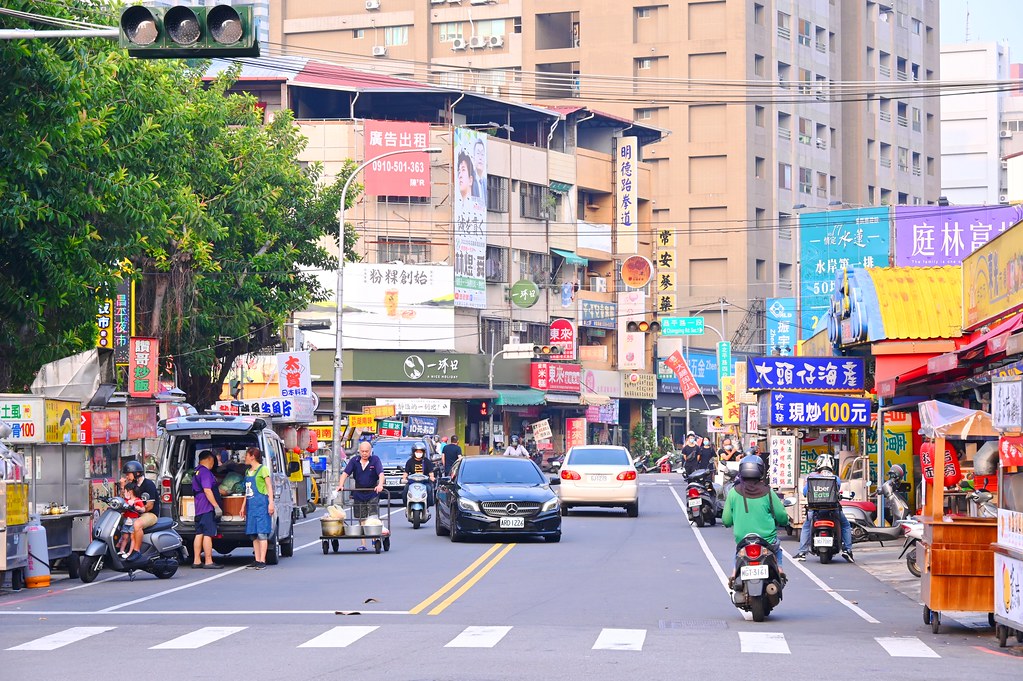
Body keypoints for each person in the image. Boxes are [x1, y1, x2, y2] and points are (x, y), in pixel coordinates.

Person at [722, 454, 790, 580]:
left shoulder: (733, 492)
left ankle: (733, 573)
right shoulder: (768, 492)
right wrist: (785, 522)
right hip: (767, 540)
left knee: (738, 553)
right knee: (777, 550)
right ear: (761, 471)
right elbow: (781, 516)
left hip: (742, 539)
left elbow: (726, 520)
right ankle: (779, 569)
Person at [794, 454, 854, 562]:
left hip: (814, 510)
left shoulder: (811, 477)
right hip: (833, 510)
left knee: (806, 526)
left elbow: (804, 492)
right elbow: (837, 491)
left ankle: (802, 552)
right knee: (845, 524)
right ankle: (847, 550)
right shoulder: (836, 478)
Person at [337, 441, 385, 551]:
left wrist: (380, 485)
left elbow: (381, 474)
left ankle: (374, 537)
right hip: (358, 493)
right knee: (361, 518)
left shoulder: (375, 460)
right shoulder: (354, 461)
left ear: (370, 451)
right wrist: (340, 485)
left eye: (366, 451)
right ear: (359, 451)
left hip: (372, 492)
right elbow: (345, 473)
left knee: (373, 516)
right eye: (362, 451)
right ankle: (363, 544)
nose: (364, 453)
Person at [241, 447, 274, 570]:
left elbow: (269, 487)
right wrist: (243, 506)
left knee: (262, 533)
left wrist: (271, 503)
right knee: (253, 534)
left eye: (246, 455)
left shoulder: (263, 469)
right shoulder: (247, 472)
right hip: (251, 506)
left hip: (261, 505)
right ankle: (257, 559)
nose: (245, 458)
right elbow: (247, 491)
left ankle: (262, 560)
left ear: (252, 457)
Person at [191, 450, 224, 568]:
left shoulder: (196, 471)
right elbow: (207, 490)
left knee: (199, 533)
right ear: (210, 459)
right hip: (206, 507)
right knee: (207, 534)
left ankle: (196, 560)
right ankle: (209, 561)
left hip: (198, 507)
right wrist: (215, 506)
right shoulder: (205, 472)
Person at [119, 459, 158, 559]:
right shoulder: (133, 485)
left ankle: (136, 551)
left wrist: (140, 509)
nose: (127, 477)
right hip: (134, 513)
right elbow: (126, 498)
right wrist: (122, 486)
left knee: (137, 524)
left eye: (128, 474)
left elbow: (150, 505)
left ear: (137, 473)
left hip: (149, 514)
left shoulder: (149, 484)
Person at [116, 482, 145, 558]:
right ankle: (121, 551)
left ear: (130, 491)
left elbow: (143, 509)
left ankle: (130, 552)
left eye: (125, 491)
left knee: (132, 537)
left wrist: (138, 508)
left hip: (133, 520)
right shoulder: (125, 500)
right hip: (126, 520)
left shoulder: (137, 500)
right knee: (124, 537)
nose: (124, 493)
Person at [471, 138, 487, 203]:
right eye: (478, 153)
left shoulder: (485, 182)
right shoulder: (470, 180)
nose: (480, 158)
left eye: (482, 154)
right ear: (473, 157)